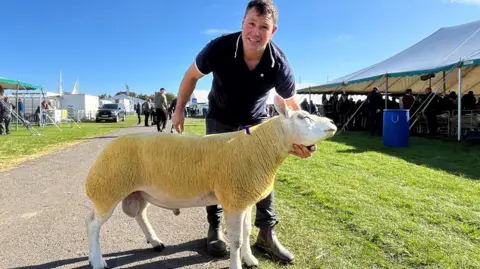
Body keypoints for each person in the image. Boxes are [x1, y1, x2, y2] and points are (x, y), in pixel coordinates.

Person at [172, 0, 314, 264]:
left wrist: (301, 139)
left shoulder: (279, 63)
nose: (255, 32)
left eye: (263, 27)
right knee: (212, 171)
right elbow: (191, 75)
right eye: (251, 23)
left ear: (273, 31)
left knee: (262, 171)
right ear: (242, 23)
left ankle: (266, 234)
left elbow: (292, 106)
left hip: (255, 122)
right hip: (220, 118)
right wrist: (179, 108)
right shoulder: (219, 47)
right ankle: (215, 228)